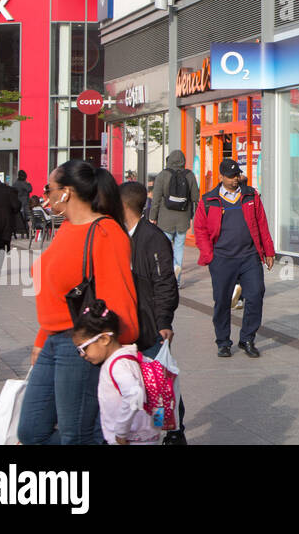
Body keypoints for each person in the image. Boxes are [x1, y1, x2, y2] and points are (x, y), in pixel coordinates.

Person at [18, 160, 139, 445]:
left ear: (67, 192)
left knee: (76, 435)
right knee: (31, 432)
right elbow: (58, 293)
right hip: (53, 340)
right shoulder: (68, 229)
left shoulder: (105, 232)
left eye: (49, 188)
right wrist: (41, 337)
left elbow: (118, 298)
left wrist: (108, 346)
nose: (44, 194)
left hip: (83, 343)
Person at [117, 181, 185, 443]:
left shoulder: (152, 238)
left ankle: (174, 432)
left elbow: (165, 283)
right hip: (132, 324)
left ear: (123, 205)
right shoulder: (124, 235)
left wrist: (164, 322)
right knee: (143, 386)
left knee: (161, 385)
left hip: (151, 327)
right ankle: (152, 431)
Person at [194, 159, 275, 358]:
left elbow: (261, 223)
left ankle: (247, 338)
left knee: (255, 295)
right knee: (222, 301)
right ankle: (223, 341)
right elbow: (200, 229)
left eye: (237, 175)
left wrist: (269, 251)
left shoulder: (250, 195)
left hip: (249, 257)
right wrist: (209, 255)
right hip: (222, 258)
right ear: (220, 177)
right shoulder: (208, 200)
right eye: (230, 177)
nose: (234, 180)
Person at [71, 300, 162, 445]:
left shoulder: (117, 365)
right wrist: (156, 427)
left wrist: (120, 432)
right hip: (146, 436)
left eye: (83, 348)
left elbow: (134, 394)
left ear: (104, 339)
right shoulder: (135, 357)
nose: (82, 355)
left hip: (129, 439)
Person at [150, 150, 200, 283]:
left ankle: (167, 277)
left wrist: (152, 216)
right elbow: (195, 197)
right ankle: (176, 278)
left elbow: (156, 199)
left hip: (165, 219)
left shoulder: (162, 175)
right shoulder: (189, 175)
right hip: (183, 219)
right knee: (179, 248)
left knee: (165, 248)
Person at [14, 169, 34, 239]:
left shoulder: (15, 183)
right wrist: (28, 183)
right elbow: (30, 189)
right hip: (25, 203)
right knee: (27, 218)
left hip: (17, 203)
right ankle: (28, 233)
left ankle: (21, 232)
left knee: (20, 218)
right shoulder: (24, 183)